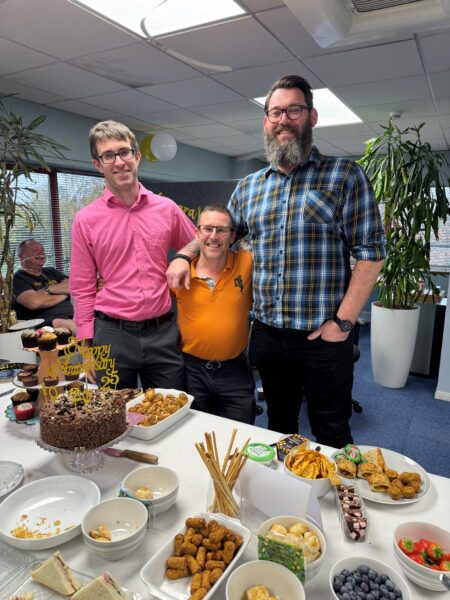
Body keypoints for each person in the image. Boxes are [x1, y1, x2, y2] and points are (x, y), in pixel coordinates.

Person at [167, 75, 385, 448]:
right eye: (275, 112)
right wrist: (185, 256)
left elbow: (370, 253)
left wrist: (343, 322)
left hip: (323, 337)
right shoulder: (250, 187)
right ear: (266, 121)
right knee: (279, 427)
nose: (283, 120)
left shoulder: (344, 175)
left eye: (293, 110)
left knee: (331, 429)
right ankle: (285, 503)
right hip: (268, 338)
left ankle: (340, 505)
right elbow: (216, 233)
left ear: (311, 116)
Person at [70, 120, 196, 389]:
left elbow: (198, 244)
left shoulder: (167, 208)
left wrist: (182, 257)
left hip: (162, 333)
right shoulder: (86, 219)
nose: (119, 162)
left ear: (136, 157)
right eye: (108, 155)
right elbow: (81, 286)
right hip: (112, 335)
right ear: (98, 164)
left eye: (124, 152)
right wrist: (86, 343)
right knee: (112, 419)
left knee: (171, 411)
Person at [172, 204, 255, 424]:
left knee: (241, 436)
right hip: (192, 372)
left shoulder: (246, 262)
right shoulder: (180, 273)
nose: (214, 236)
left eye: (222, 230)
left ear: (232, 236)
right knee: (192, 435)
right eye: (208, 229)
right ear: (196, 234)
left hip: (234, 371)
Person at [13, 239, 75, 333]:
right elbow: (34, 302)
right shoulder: (17, 278)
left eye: (42, 250)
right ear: (21, 256)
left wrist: (51, 290)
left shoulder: (51, 271)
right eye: (35, 250)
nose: (40, 253)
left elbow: (75, 285)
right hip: (43, 321)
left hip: (72, 315)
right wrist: (63, 289)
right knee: (70, 324)